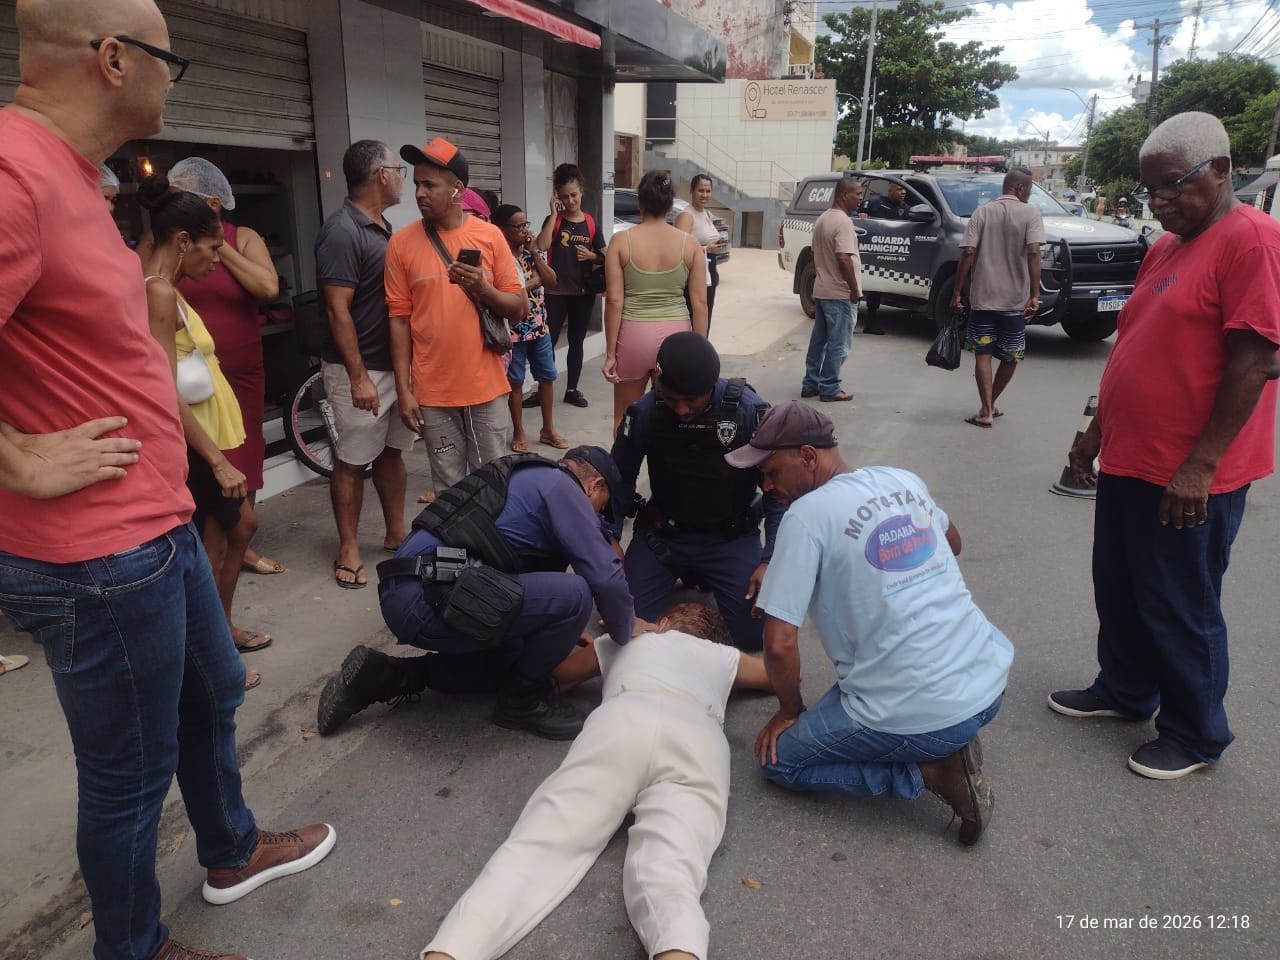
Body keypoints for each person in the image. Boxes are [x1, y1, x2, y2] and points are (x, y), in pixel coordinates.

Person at [0, 4, 334, 959]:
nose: (174, 78)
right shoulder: (15, 173)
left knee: (215, 688)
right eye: (168, 60)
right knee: (126, 779)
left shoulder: (74, 179)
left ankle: (229, 849)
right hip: (96, 557)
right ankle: (133, 949)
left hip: (155, 526)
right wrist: (18, 456)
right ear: (113, 60)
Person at [1049, 112, 1280, 780]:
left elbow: (1256, 360)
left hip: (1188, 471)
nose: (1158, 202)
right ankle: (1124, 690)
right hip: (1132, 456)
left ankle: (1196, 732)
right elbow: (1139, 345)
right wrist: (1095, 431)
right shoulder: (1167, 245)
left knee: (1181, 603)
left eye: (1171, 186)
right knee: (1119, 585)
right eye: (1149, 191)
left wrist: (1201, 466)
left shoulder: (1251, 240)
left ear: (1220, 169)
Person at [727, 402, 1013, 846]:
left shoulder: (807, 516)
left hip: (925, 710)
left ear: (807, 456)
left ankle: (930, 770)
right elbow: (953, 542)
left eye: (770, 472)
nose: (767, 487)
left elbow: (780, 643)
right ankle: (943, 744)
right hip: (988, 684)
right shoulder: (902, 479)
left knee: (779, 762)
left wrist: (788, 711)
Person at [419, 603, 772, 960]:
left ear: (663, 623)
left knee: (539, 846)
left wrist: (597, 648)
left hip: (624, 717)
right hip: (698, 734)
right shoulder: (724, 657)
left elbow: (557, 677)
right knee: (673, 874)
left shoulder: (632, 638)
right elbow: (778, 674)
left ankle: (452, 952)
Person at [316, 446, 636, 741]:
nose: (596, 521)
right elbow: (605, 578)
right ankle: (521, 703)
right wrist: (627, 633)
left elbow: (514, 571)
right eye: (601, 511)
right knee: (578, 594)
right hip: (430, 596)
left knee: (516, 655)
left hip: (407, 589)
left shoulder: (524, 475)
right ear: (594, 485)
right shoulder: (563, 488)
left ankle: (386, 675)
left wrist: (557, 625)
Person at [138, 176, 269, 689]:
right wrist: (214, 458)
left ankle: (219, 639)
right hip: (196, 443)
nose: (219, 260)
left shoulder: (168, 290)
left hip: (210, 434)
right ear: (184, 242)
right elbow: (161, 388)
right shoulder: (159, 294)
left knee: (238, 530)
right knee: (218, 542)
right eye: (214, 247)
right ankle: (213, 661)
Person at [611, 332, 781, 652]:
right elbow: (619, 477)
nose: (681, 409)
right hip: (663, 537)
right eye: (672, 398)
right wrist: (610, 538)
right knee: (623, 623)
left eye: (691, 399)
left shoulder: (747, 412)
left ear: (711, 387)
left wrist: (771, 558)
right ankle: (680, 574)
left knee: (753, 636)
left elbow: (777, 492)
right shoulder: (645, 412)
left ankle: (708, 576)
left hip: (729, 539)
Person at [166, 157, 284, 580]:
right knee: (202, 463)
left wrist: (219, 243)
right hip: (191, 378)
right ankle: (209, 549)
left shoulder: (241, 238)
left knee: (245, 455)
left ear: (213, 203)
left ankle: (241, 545)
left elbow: (268, 288)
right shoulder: (171, 245)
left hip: (240, 371)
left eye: (183, 197)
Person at [387, 137, 525, 490]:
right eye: (416, 183)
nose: (419, 193)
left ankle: (488, 546)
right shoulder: (401, 244)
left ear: (457, 189)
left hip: (487, 389)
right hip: (433, 394)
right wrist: (404, 390)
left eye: (429, 184)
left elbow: (520, 308)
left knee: (492, 484)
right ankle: (457, 547)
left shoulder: (490, 236)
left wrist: (482, 287)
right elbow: (399, 321)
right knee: (448, 487)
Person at [314, 140, 417, 590]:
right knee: (353, 460)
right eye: (398, 169)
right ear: (380, 174)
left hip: (392, 365)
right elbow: (337, 310)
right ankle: (350, 546)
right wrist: (358, 376)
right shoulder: (342, 231)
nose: (402, 178)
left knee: (392, 451)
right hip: (359, 370)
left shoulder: (381, 225)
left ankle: (397, 532)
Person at [603, 169, 707, 431]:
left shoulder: (620, 242)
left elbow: (614, 301)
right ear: (671, 205)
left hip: (634, 336)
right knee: (675, 420)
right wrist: (699, 353)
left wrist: (610, 353)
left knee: (625, 419)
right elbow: (699, 305)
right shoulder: (690, 244)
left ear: (639, 203)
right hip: (677, 337)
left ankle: (623, 471)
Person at [950, 167, 1044, 428]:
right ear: (1021, 189)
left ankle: (987, 409)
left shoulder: (982, 212)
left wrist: (957, 291)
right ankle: (988, 406)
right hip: (1015, 301)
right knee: (1010, 356)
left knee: (983, 354)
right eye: (1030, 191)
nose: (1029, 196)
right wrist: (1035, 294)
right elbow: (1034, 252)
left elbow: (968, 252)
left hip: (983, 298)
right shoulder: (1031, 214)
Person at [493, 203, 569, 453]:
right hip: (513, 331)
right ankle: (519, 431)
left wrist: (535, 254)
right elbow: (503, 292)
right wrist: (529, 283)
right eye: (519, 226)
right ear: (502, 230)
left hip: (539, 327)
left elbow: (551, 280)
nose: (526, 230)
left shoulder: (529, 252)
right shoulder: (497, 256)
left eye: (526, 224)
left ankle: (548, 429)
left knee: (547, 378)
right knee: (515, 383)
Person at [535, 162, 606, 409]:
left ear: (581, 192)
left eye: (573, 195)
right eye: (564, 197)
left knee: (576, 341)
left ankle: (572, 389)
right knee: (548, 343)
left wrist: (593, 256)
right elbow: (541, 246)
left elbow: (605, 253)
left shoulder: (590, 222)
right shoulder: (553, 220)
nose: (569, 201)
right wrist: (554, 214)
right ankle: (544, 388)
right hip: (555, 292)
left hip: (582, 293)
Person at [802, 177, 862, 403]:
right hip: (839, 293)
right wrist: (854, 290)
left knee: (819, 341)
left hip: (823, 290)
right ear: (844, 195)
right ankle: (829, 387)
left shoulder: (823, 219)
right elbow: (843, 258)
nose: (860, 198)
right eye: (857, 193)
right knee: (839, 343)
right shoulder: (843, 222)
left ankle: (811, 383)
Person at [856, 182, 914, 335]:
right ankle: (851, 321)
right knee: (857, 286)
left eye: (905, 190)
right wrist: (862, 215)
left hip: (889, 253)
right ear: (890, 189)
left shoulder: (906, 209)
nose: (903, 192)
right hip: (869, 250)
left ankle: (870, 323)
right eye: (900, 189)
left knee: (876, 290)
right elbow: (856, 212)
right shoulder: (875, 202)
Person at [673, 172, 721, 332]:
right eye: (701, 190)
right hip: (694, 274)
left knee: (706, 315)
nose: (705, 195)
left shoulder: (706, 213)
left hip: (709, 270)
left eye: (708, 191)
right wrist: (706, 248)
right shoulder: (687, 215)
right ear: (692, 191)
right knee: (696, 317)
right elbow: (680, 248)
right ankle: (694, 353)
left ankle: (702, 350)